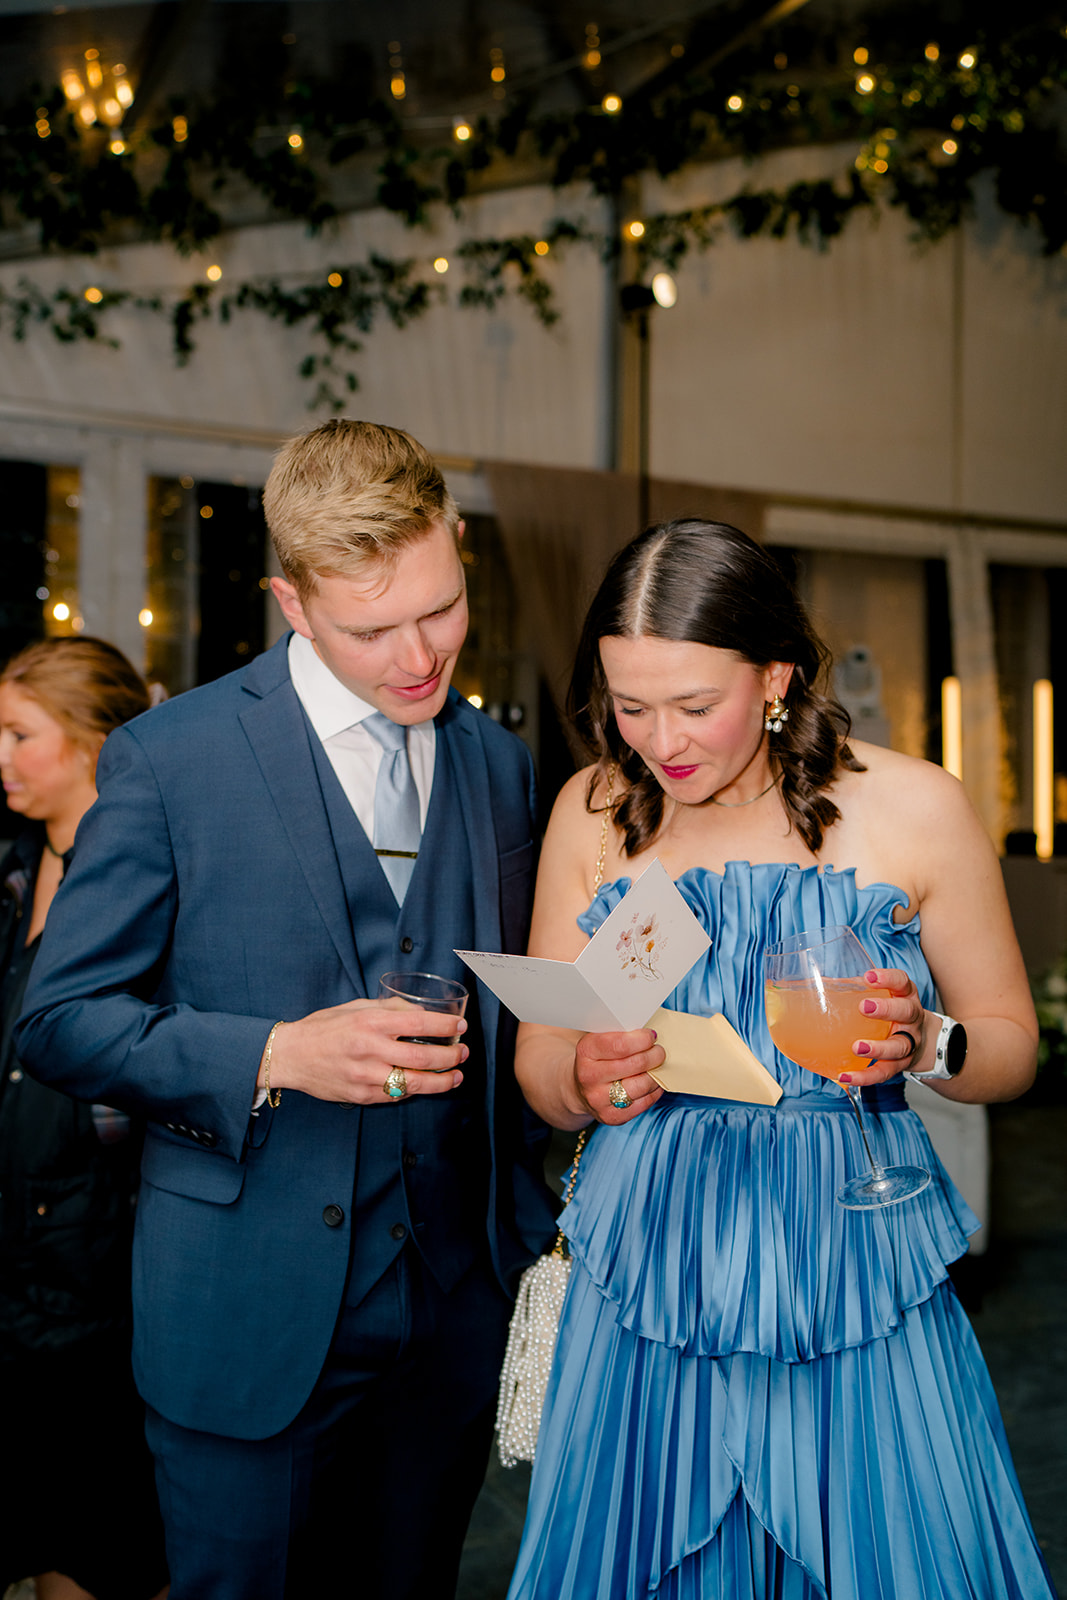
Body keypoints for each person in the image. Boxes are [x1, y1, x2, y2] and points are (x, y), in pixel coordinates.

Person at [16, 419, 556, 1600]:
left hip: (447, 1321)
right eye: (372, 629)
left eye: (441, 606)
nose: (419, 656)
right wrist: (273, 1050)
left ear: (456, 546)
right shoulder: (172, 759)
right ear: (291, 603)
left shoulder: (500, 766)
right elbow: (57, 1018)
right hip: (241, 1321)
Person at [507, 520, 1055, 1600]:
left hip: (850, 1257)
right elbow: (539, 1056)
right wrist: (583, 1077)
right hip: (652, 1268)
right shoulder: (595, 812)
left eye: (693, 705)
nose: (658, 740)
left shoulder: (913, 808)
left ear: (774, 675)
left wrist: (925, 1041)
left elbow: (1009, 1048)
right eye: (628, 704)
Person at [0, 636, 169, 1600]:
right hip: (12, 1268)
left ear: (90, 743)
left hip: (101, 1280)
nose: (5, 757)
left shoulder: (144, 880)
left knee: (91, 1550)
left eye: (22, 735)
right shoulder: (14, 873)